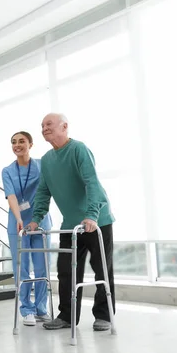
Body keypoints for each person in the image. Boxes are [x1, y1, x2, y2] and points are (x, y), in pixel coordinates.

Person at [27, 113, 115, 332]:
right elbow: (43, 191)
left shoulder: (78, 149)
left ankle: (104, 316)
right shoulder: (47, 159)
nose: (44, 128)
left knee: (102, 270)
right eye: (42, 126)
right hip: (70, 224)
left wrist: (92, 215)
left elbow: (91, 183)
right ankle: (67, 315)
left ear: (64, 126)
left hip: (97, 221)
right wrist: (36, 219)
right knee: (66, 270)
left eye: (49, 124)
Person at [2, 131, 53, 327]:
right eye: (13, 142)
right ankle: (27, 309)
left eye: (21, 141)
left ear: (30, 144)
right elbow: (12, 197)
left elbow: (49, 190)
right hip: (18, 224)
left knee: (42, 267)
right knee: (21, 268)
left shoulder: (41, 165)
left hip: (41, 223)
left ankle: (41, 308)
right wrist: (18, 218)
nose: (17, 145)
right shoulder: (7, 171)